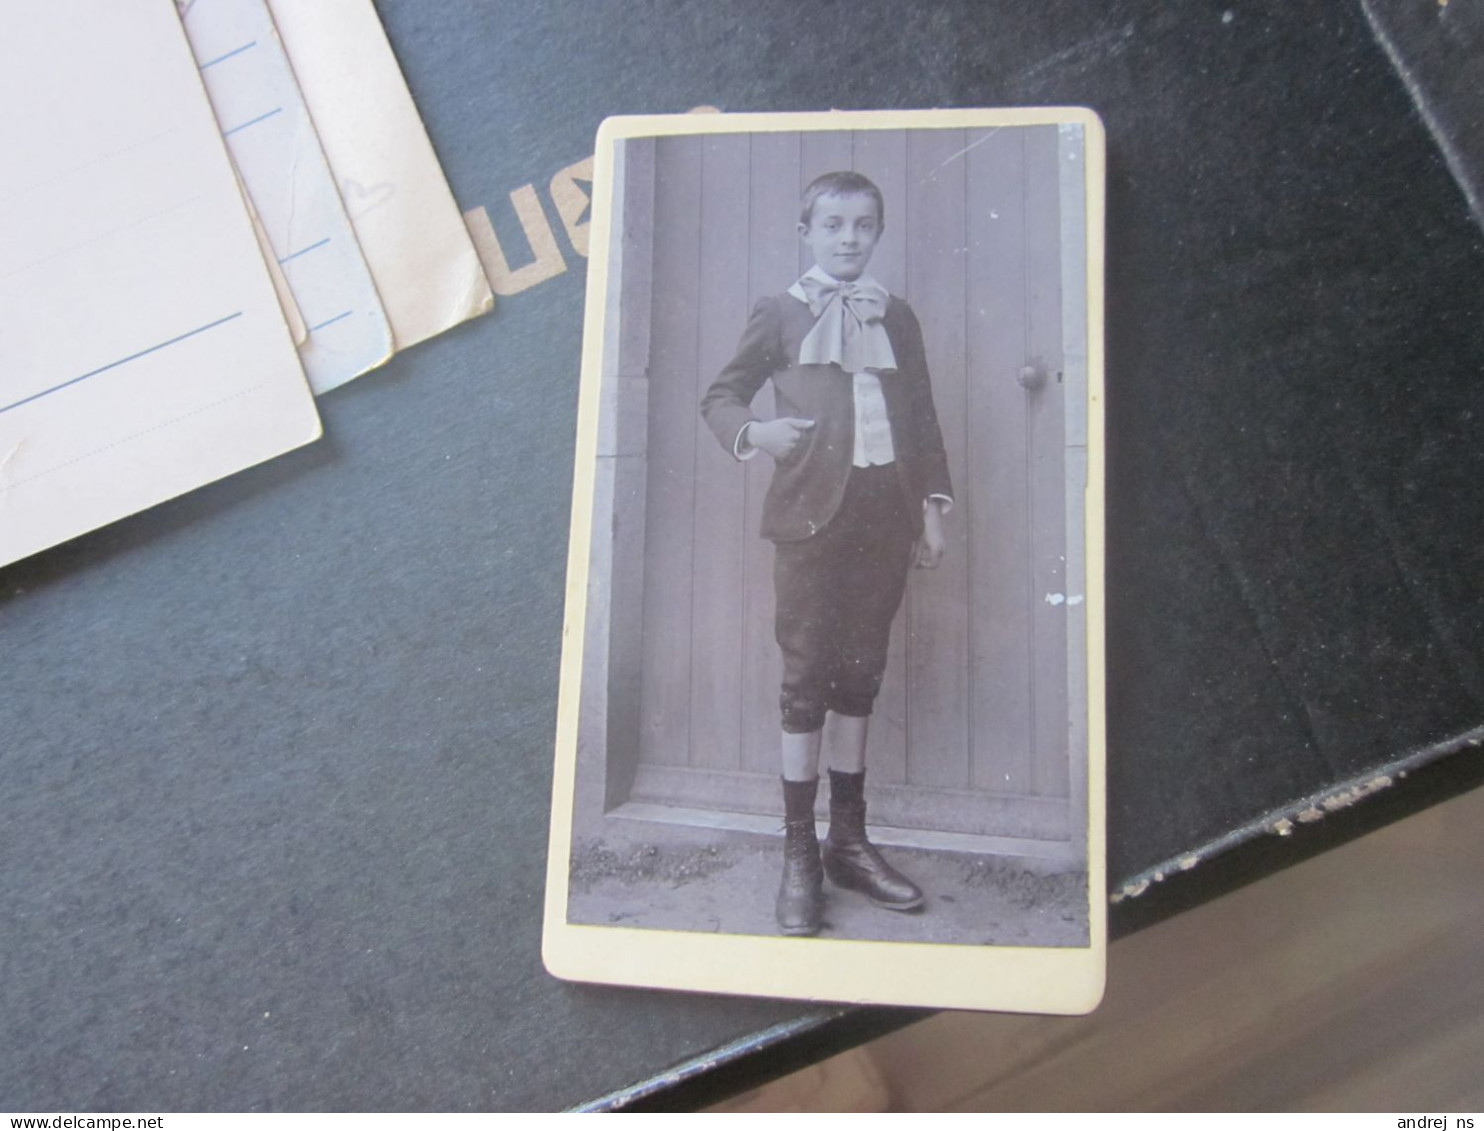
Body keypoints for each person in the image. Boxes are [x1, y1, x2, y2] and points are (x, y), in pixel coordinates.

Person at [700, 170, 954, 936]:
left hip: (887, 513)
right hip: (812, 517)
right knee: (808, 676)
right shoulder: (780, 313)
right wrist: (758, 434)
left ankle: (849, 841)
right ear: (806, 232)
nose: (849, 238)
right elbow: (721, 394)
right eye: (833, 224)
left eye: (864, 225)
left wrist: (932, 509)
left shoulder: (895, 316)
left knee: (860, 673)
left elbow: (922, 415)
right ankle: (798, 853)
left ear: (878, 234)